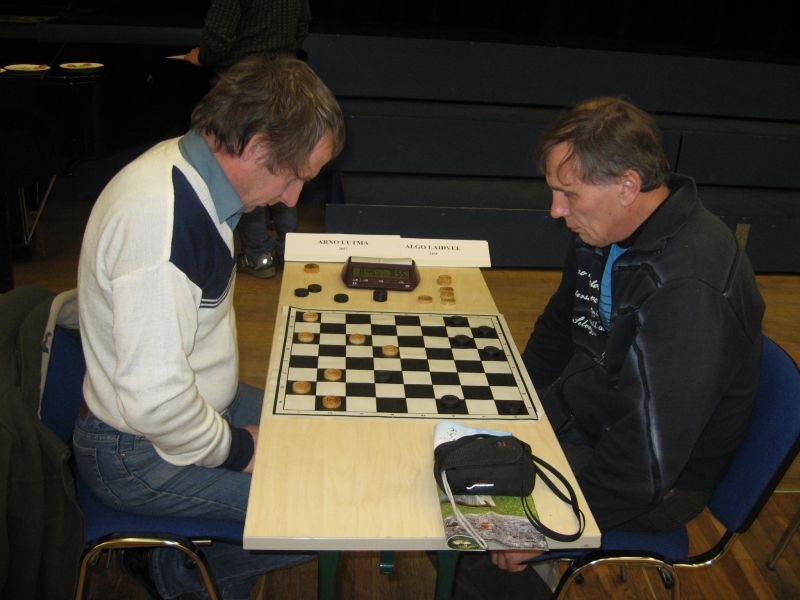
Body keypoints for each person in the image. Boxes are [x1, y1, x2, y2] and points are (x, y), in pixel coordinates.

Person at [455, 96, 764, 597]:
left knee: (473, 524)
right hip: (590, 415)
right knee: (449, 449)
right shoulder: (605, 230)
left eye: (568, 194)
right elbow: (560, 326)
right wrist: (517, 403)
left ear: (627, 185)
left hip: (655, 480)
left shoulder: (688, 289)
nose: (556, 211)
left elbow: (646, 462)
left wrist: (549, 528)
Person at [73, 55, 344, 599]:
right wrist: (238, 451)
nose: (293, 198)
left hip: (183, 410)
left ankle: (180, 552)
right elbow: (155, 400)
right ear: (258, 147)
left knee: (328, 439)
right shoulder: (162, 225)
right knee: (334, 513)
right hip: (137, 451)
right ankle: (174, 575)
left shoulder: (186, 169)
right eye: (294, 176)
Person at [185, 0, 313, 278]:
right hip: (285, 82)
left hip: (242, 85)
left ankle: (259, 256)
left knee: (248, 166)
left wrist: (201, 57)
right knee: (284, 163)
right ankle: (291, 253)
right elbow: (302, 25)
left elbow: (218, 39)